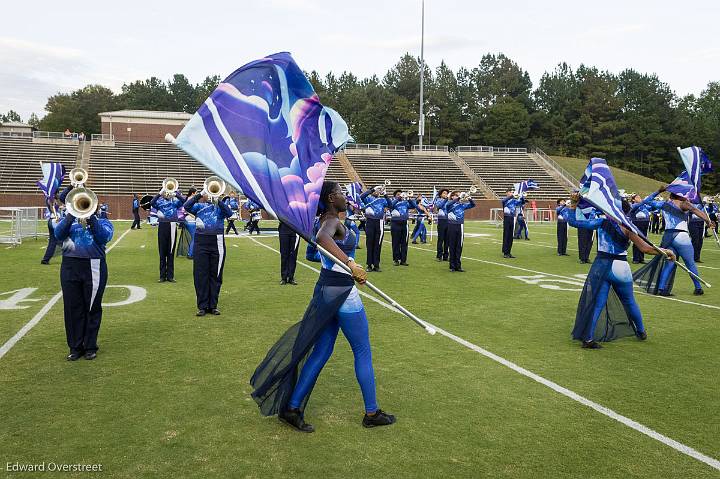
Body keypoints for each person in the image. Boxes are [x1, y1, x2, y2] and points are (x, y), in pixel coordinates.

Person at [250, 181, 395, 432]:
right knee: (362, 351)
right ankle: (371, 412)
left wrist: (341, 263)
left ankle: (293, 408)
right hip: (342, 293)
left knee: (321, 352)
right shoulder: (330, 222)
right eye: (340, 193)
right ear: (330, 198)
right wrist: (350, 263)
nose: (344, 196)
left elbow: (315, 252)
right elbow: (321, 238)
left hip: (327, 291)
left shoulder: (329, 219)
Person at [565, 193, 674, 349]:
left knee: (597, 304)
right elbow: (645, 248)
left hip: (601, 265)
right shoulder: (628, 227)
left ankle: (588, 338)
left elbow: (574, 222)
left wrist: (573, 204)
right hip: (620, 267)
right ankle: (641, 331)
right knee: (629, 301)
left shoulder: (602, 222)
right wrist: (665, 251)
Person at [54, 205, 114, 360]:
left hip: (93, 265)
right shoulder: (68, 220)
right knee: (72, 307)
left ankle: (90, 346)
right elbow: (58, 234)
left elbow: (104, 237)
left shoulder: (103, 221)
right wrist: (70, 215)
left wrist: (91, 218)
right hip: (70, 265)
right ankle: (75, 347)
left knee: (92, 307)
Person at [634, 186, 715, 296]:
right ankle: (698, 288)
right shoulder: (684, 203)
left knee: (669, 263)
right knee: (690, 263)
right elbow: (696, 210)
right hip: (681, 235)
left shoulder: (663, 204)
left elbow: (646, 201)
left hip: (668, 236)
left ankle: (661, 289)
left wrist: (658, 191)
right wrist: (709, 221)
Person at [183, 190, 233, 316]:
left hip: (217, 242)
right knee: (200, 274)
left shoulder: (220, 208)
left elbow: (229, 213)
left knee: (215, 275)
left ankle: (213, 305)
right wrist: (200, 194)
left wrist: (218, 201)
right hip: (201, 242)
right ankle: (202, 306)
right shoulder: (199, 206)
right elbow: (186, 206)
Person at [151, 187, 186, 283]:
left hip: (172, 225)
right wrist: (159, 194)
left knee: (170, 252)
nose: (167, 194)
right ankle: (162, 276)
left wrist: (176, 194)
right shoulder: (160, 202)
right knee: (162, 252)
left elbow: (184, 201)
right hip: (162, 226)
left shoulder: (174, 202)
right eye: (165, 192)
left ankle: (170, 276)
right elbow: (152, 203)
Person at [360, 185, 390, 272]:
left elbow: (390, 205)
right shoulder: (368, 198)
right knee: (369, 244)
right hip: (369, 221)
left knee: (378, 244)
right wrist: (372, 189)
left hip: (379, 222)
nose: (377, 192)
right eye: (376, 190)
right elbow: (361, 197)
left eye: (379, 190)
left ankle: (376, 265)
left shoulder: (382, 200)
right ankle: (369, 265)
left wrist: (385, 194)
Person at [445, 191, 476, 272]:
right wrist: (459, 198)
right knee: (452, 246)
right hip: (451, 225)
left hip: (460, 226)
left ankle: (458, 266)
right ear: (452, 197)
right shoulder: (449, 204)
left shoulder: (462, 205)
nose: (459, 197)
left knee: (459, 246)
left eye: (459, 195)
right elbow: (448, 205)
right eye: (456, 195)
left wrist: (470, 199)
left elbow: (473, 205)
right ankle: (452, 266)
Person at [389, 190, 417, 266]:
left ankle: (403, 260)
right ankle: (396, 259)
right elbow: (390, 205)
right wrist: (398, 198)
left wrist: (409, 199)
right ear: (395, 196)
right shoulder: (393, 201)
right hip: (395, 223)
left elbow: (414, 206)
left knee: (404, 242)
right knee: (396, 242)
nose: (400, 195)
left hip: (404, 224)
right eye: (398, 194)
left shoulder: (405, 203)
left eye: (400, 194)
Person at [501, 189, 523, 258]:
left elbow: (520, 203)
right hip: (506, 218)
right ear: (506, 193)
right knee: (506, 235)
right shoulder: (505, 200)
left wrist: (522, 197)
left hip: (512, 218)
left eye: (512, 192)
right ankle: (505, 252)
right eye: (510, 192)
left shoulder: (513, 201)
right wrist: (512, 196)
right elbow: (503, 201)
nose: (511, 193)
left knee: (511, 236)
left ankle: (509, 252)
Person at [629, 194, 651, 264]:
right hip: (637, 223)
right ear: (633, 199)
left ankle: (641, 258)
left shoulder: (644, 206)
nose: (639, 198)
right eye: (637, 197)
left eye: (639, 197)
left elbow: (653, 208)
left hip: (645, 223)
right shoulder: (633, 205)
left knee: (644, 240)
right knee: (637, 240)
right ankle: (636, 258)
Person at [41, 196, 63, 264]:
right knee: (63, 240)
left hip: (51, 221)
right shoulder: (51, 199)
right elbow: (52, 208)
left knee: (53, 242)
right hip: (54, 221)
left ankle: (46, 259)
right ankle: (69, 258)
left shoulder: (50, 199)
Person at [278, 221, 300, 285]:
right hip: (283, 229)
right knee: (284, 254)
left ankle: (291, 277)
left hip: (295, 230)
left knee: (293, 255)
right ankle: (284, 278)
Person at [434, 189, 450, 261]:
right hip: (441, 221)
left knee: (447, 240)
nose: (445, 194)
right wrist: (446, 199)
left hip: (449, 221)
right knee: (441, 239)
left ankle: (446, 256)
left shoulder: (449, 201)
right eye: (444, 193)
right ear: (440, 194)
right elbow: (439, 206)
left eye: (446, 193)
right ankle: (439, 256)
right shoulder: (438, 200)